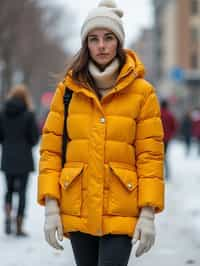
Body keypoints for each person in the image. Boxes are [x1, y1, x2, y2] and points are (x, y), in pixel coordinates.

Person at [37, 0, 165, 265]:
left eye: (108, 37)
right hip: (78, 205)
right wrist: (51, 206)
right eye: (94, 39)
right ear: (86, 44)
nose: (102, 46)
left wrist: (148, 212)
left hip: (121, 207)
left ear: (118, 41)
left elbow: (150, 156)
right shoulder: (68, 91)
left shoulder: (143, 93)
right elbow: (51, 150)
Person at [0, 84, 39, 236]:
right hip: (24, 159)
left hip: (8, 157)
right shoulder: (29, 114)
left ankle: (8, 215)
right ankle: (19, 224)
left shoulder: (3, 113)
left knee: (9, 190)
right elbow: (34, 138)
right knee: (22, 192)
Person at [160, 99, 177, 180]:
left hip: (158, 138)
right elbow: (174, 126)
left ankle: (159, 172)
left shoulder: (157, 113)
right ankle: (167, 173)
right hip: (167, 139)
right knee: (165, 156)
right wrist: (171, 135)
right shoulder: (170, 114)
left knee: (157, 156)